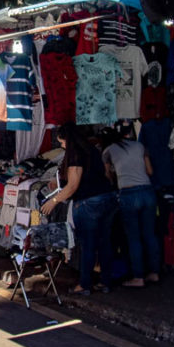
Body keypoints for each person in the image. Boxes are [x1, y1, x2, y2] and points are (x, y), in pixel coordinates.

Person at [41, 123, 117, 295]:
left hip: (88, 202)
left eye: (62, 142)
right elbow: (105, 175)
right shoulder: (93, 150)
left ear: (69, 140)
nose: (61, 146)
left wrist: (54, 201)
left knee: (88, 245)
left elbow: (73, 185)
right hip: (107, 198)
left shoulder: (75, 154)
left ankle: (84, 284)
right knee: (105, 243)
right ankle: (105, 282)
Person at [99, 127, 160, 288]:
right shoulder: (140, 146)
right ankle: (154, 273)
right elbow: (150, 171)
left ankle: (138, 277)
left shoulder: (108, 151)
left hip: (128, 193)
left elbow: (107, 176)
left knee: (133, 237)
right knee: (149, 234)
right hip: (147, 192)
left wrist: (117, 177)